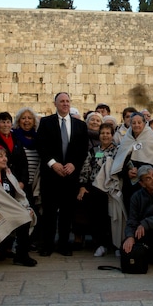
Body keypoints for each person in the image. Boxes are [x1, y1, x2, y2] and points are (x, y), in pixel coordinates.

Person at [36, 92, 89, 257]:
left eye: (67, 101)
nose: (65, 104)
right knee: (49, 212)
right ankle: (47, 245)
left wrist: (74, 164)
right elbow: (41, 146)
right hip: (51, 175)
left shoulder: (80, 125)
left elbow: (83, 149)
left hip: (70, 176)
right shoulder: (46, 122)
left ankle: (64, 244)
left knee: (67, 212)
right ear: (55, 104)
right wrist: (53, 163)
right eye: (62, 101)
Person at [110, 112, 153, 212]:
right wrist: (126, 172)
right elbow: (120, 162)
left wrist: (144, 172)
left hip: (148, 185)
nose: (136, 125)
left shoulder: (152, 140)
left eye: (139, 122)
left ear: (144, 123)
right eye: (133, 123)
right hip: (130, 185)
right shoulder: (126, 140)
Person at [77, 123, 118, 257]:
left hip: (112, 187)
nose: (105, 136)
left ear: (112, 135)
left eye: (108, 133)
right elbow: (86, 169)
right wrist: (82, 186)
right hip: (95, 186)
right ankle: (100, 243)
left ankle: (116, 244)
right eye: (102, 133)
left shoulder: (117, 151)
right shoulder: (94, 151)